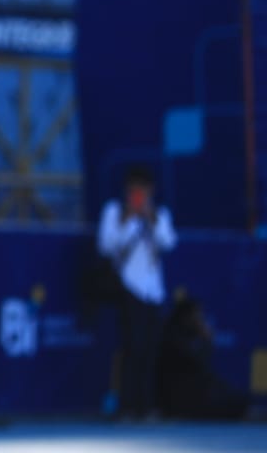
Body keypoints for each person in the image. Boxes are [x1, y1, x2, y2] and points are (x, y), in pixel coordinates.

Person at [97, 165, 177, 420]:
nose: (138, 196)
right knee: (132, 347)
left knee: (151, 350)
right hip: (128, 288)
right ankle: (128, 405)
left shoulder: (159, 215)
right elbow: (105, 246)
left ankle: (148, 405)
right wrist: (128, 219)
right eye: (134, 191)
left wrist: (149, 217)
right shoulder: (114, 212)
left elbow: (168, 242)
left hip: (153, 291)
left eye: (143, 191)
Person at [156, 295, 250, 421]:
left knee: (239, 400)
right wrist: (206, 339)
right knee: (234, 405)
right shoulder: (173, 337)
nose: (200, 318)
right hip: (179, 400)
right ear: (186, 316)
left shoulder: (188, 334)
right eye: (196, 314)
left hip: (193, 394)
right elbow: (197, 362)